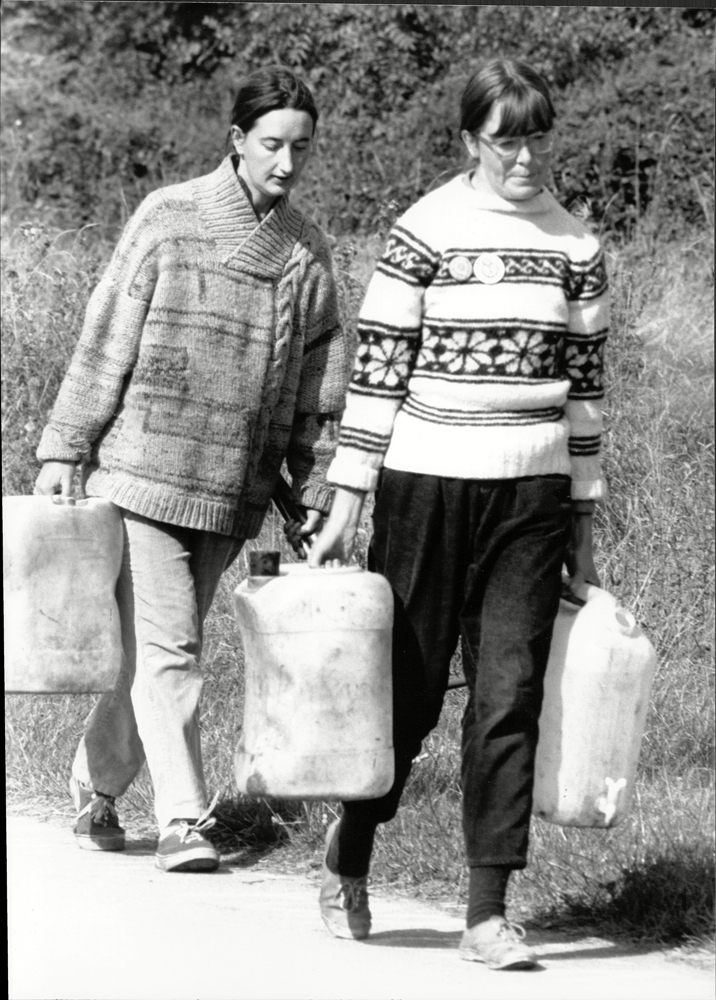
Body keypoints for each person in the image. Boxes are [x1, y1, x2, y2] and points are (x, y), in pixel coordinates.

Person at [308, 57, 608, 970]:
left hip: (533, 495)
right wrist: (346, 497)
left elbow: (588, 394)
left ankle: (487, 912)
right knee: (407, 688)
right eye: (505, 138)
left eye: (536, 136)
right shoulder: (423, 231)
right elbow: (379, 375)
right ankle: (351, 851)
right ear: (471, 140)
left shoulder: (579, 247)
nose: (525, 157)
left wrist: (584, 525)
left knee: (510, 695)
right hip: (426, 486)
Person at [34, 66, 349, 873]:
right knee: (174, 650)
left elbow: (320, 394)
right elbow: (107, 335)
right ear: (237, 140)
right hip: (140, 474)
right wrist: (64, 446)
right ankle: (184, 818)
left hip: (231, 491)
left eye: (301, 148)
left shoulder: (307, 256)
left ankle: (93, 788)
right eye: (272, 144)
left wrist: (312, 495)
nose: (286, 162)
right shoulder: (168, 219)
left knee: (150, 655)